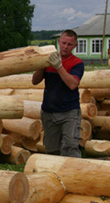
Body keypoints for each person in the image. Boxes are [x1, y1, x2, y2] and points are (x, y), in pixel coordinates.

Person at [32, 29, 84, 157]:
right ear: (59, 42)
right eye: (63, 43)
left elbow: (72, 84)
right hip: (49, 112)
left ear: (75, 46)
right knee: (51, 150)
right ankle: (55, 175)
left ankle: (73, 175)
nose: (65, 47)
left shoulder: (77, 63)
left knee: (70, 146)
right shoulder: (49, 59)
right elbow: (35, 81)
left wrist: (59, 66)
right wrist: (42, 65)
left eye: (69, 44)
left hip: (69, 112)